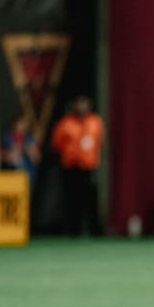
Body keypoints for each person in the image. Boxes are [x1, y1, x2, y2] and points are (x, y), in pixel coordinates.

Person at [52, 95, 105, 236]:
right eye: (79, 103)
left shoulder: (95, 121)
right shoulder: (65, 123)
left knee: (90, 199)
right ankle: (73, 229)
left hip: (88, 166)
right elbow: (56, 143)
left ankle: (93, 229)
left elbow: (99, 141)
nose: (82, 106)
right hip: (71, 167)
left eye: (84, 103)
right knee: (72, 199)